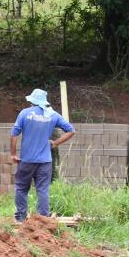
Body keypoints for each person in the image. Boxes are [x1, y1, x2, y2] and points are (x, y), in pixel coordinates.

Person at [10, 88, 75, 223]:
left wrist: (13, 154)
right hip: (45, 161)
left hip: (27, 160)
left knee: (21, 188)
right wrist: (55, 143)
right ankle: (43, 220)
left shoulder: (24, 113)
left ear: (32, 101)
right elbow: (71, 131)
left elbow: (14, 134)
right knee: (42, 190)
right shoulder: (53, 115)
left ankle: (21, 218)